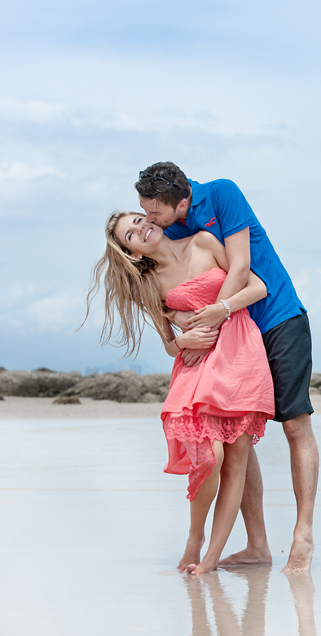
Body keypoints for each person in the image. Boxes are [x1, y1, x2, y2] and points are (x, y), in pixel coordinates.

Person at [135, 162, 319, 573]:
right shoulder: (170, 229)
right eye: (143, 213)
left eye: (154, 214)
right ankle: (257, 546)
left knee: (294, 425)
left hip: (277, 316)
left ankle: (303, 536)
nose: (149, 220)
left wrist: (214, 316)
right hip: (235, 335)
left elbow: (239, 269)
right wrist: (180, 333)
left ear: (181, 202)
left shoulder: (221, 193)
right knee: (236, 433)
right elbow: (168, 287)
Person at [87, 210, 274, 575]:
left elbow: (257, 287)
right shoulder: (149, 283)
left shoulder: (203, 242)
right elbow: (170, 345)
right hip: (198, 365)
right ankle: (195, 536)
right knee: (209, 457)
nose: (142, 229)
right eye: (131, 234)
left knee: (236, 461)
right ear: (132, 252)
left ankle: (209, 560)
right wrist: (184, 338)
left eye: (140, 220)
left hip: (239, 354)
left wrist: (218, 311)